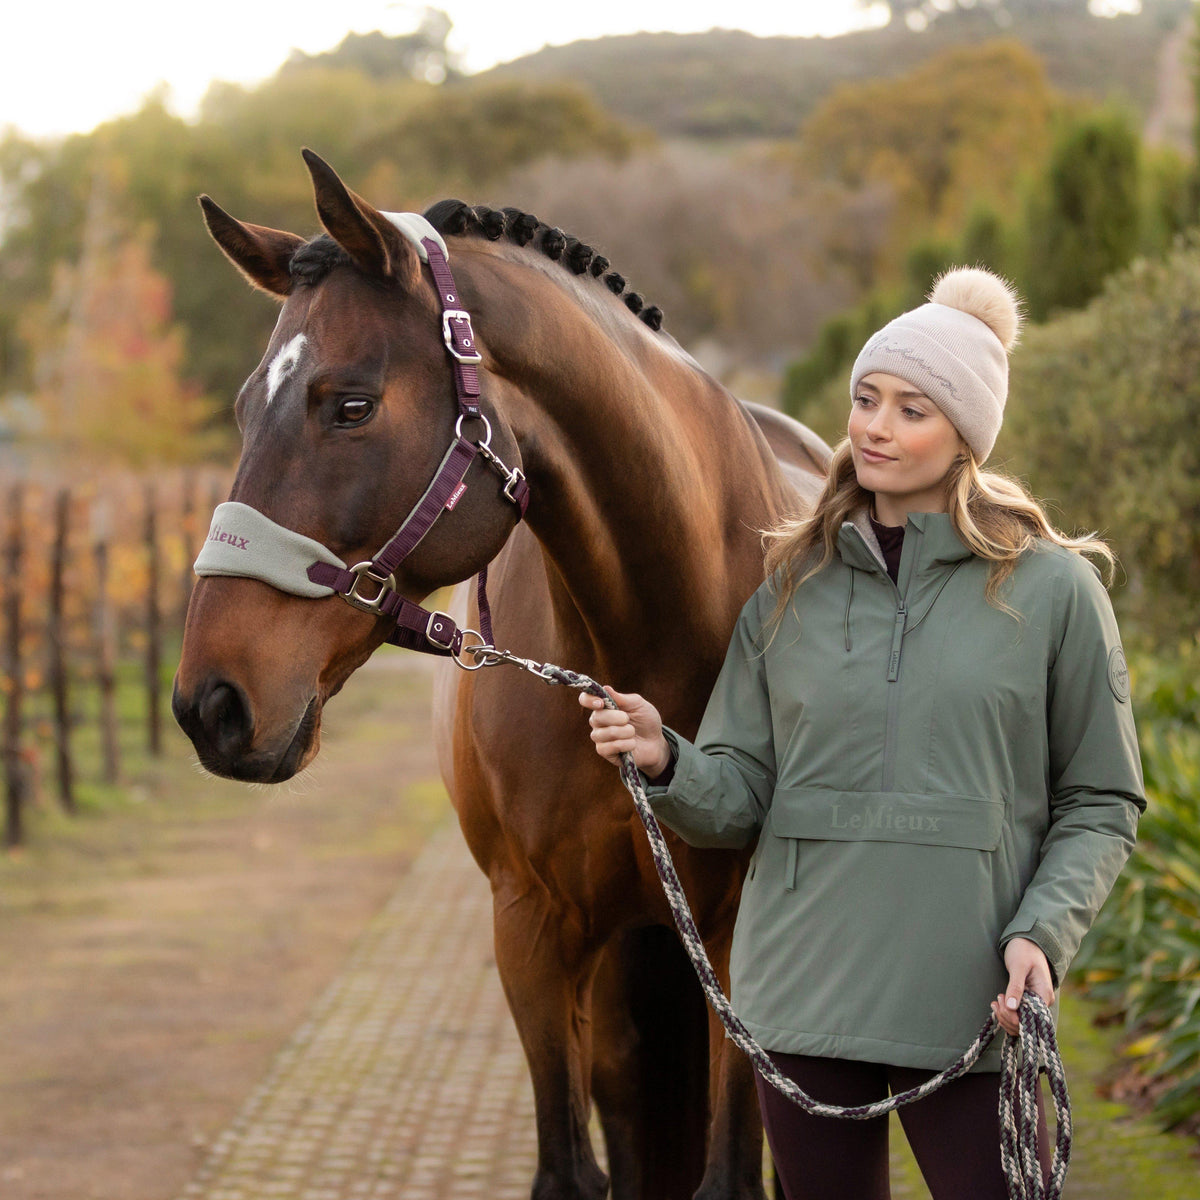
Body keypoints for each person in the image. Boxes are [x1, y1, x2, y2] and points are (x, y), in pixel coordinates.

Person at [579, 267, 1144, 1200]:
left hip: (971, 1002)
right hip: (801, 998)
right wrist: (667, 758)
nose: (874, 427)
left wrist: (1044, 932)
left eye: (911, 409)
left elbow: (1101, 798)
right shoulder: (790, 590)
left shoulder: (1052, 593)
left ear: (966, 432)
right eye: (866, 399)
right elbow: (741, 795)